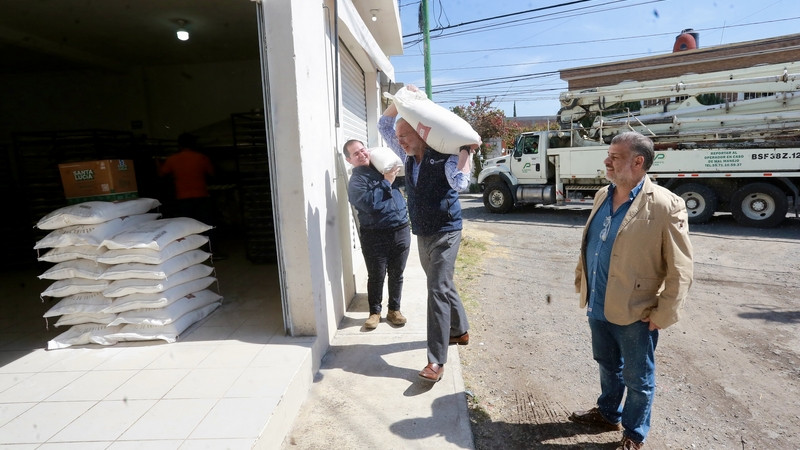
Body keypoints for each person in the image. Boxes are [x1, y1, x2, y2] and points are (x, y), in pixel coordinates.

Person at [569, 131, 694, 449]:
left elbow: (681, 269)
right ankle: (608, 413)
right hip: (598, 303)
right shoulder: (602, 195)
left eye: (616, 156)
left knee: (638, 378)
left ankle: (634, 433)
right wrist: (582, 279)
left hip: (637, 311)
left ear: (638, 161)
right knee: (607, 364)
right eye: (608, 155)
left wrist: (663, 313)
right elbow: (592, 243)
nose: (606, 161)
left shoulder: (666, 205)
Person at [379, 93, 477, 383]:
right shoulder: (409, 156)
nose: (400, 142)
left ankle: (436, 360)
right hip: (422, 231)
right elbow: (384, 124)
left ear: (420, 134)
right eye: (398, 138)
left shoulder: (444, 157)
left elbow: (460, 183)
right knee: (443, 284)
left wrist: (466, 154)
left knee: (436, 289)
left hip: (447, 231)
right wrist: (401, 100)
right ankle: (460, 331)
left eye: (405, 136)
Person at [343, 139, 411, 329]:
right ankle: (374, 312)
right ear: (350, 160)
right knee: (376, 275)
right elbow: (368, 203)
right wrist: (386, 182)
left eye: (362, 150)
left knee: (397, 274)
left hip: (400, 229)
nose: (362, 154)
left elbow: (406, 178)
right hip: (374, 235)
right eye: (356, 154)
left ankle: (394, 310)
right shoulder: (356, 181)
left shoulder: (383, 166)